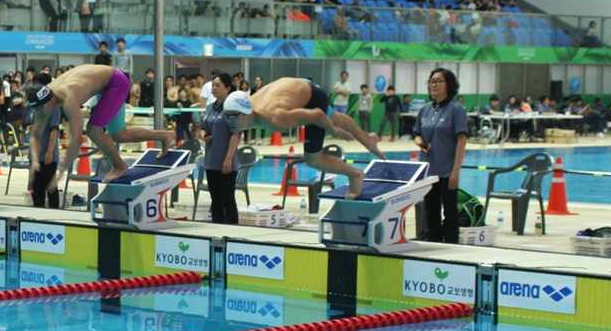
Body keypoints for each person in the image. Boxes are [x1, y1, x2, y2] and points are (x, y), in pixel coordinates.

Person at [221, 77, 386, 199]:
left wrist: (332, 130)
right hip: (295, 87)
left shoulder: (275, 119)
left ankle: (355, 174)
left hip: (312, 96)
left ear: (245, 113)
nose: (228, 121)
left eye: (232, 117)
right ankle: (367, 139)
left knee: (314, 159)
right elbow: (233, 131)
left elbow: (317, 115)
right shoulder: (241, 112)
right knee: (334, 117)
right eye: (225, 116)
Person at [26, 64, 163, 186]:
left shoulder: (69, 99)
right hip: (102, 84)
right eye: (36, 109)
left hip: (116, 82)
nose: (40, 113)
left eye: (41, 109)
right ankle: (165, 136)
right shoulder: (41, 100)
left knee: (92, 130)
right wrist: (35, 161)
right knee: (120, 135)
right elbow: (35, 136)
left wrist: (62, 171)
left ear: (50, 101)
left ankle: (120, 165)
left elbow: (77, 139)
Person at [413, 68, 468, 243]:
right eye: (431, 81)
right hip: (429, 172)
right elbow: (416, 133)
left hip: (447, 171)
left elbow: (462, 140)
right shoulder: (425, 109)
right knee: (430, 212)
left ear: (449, 85)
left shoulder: (456, 109)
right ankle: (434, 245)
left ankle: (452, 247)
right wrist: (419, 141)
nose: (434, 85)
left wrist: (456, 171)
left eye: (438, 81)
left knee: (450, 213)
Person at [199, 72, 240, 224]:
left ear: (228, 88)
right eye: (213, 85)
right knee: (215, 199)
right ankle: (216, 229)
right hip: (211, 160)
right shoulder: (210, 107)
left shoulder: (233, 109)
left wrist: (228, 159)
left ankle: (233, 231)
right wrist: (204, 135)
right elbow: (204, 127)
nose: (214, 88)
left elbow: (235, 135)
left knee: (227, 199)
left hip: (226, 161)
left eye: (218, 85)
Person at [27, 85, 62, 208]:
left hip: (48, 154)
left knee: (50, 188)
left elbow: (54, 130)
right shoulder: (35, 108)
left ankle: (54, 215)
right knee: (37, 190)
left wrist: (50, 151)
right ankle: (38, 215)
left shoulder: (53, 108)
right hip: (35, 154)